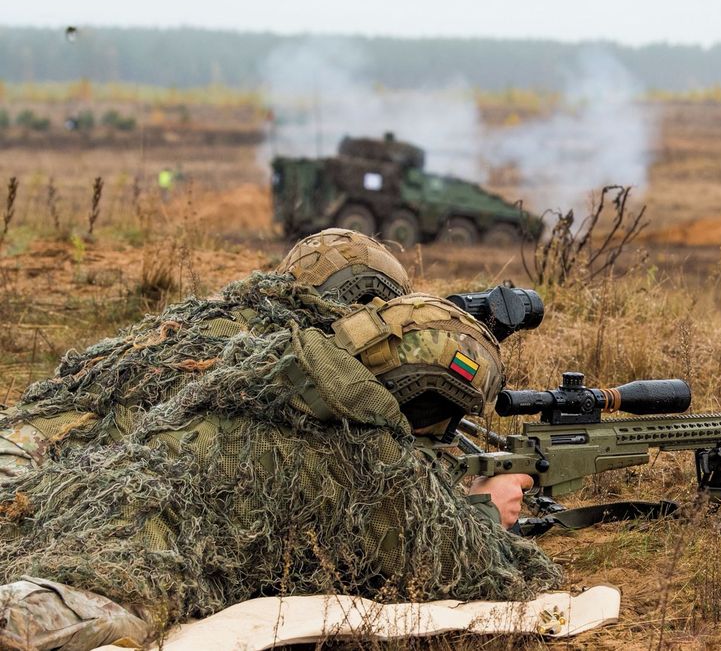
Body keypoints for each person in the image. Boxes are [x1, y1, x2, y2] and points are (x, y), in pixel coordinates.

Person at [0, 229, 557, 650]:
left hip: (73, 486)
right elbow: (448, 562)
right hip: (138, 545)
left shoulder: (266, 368)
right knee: (55, 611)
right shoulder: (366, 456)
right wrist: (486, 509)